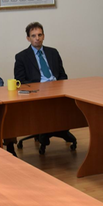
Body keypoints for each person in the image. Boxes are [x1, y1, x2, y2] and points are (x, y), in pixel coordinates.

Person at [13, 22, 76, 150]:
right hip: (37, 92)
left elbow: (63, 75)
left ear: (44, 36)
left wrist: (60, 86)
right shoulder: (21, 57)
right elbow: (20, 81)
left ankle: (60, 128)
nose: (37, 38)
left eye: (40, 35)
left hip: (56, 89)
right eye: (33, 35)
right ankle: (44, 130)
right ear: (28, 38)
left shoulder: (53, 52)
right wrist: (38, 88)